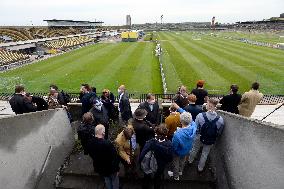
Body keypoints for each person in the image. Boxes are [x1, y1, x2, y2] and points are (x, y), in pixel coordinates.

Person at [188, 99, 224, 172]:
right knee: (205, 154)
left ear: (209, 105)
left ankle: (190, 161)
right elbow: (219, 132)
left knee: (194, 149)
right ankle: (200, 168)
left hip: (199, 136)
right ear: (215, 106)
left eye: (207, 104)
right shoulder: (221, 120)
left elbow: (196, 128)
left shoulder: (200, 116)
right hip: (210, 139)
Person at [139, 124, 173, 189]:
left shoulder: (150, 142)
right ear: (166, 134)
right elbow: (170, 158)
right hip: (160, 166)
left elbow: (142, 155)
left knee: (147, 176)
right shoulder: (169, 145)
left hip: (148, 164)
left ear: (156, 133)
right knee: (157, 178)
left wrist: (140, 163)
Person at [87, 124, 120, 189]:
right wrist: (117, 169)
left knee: (107, 179)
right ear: (103, 133)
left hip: (100, 167)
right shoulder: (107, 144)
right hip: (111, 168)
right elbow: (115, 157)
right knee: (114, 181)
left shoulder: (90, 142)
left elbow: (91, 154)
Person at [168, 112, 197, 180]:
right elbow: (192, 121)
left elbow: (174, 146)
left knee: (176, 163)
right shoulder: (194, 127)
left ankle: (176, 176)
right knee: (183, 160)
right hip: (187, 149)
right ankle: (180, 171)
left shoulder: (177, 134)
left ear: (181, 121)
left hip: (178, 151)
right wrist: (178, 108)